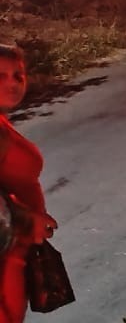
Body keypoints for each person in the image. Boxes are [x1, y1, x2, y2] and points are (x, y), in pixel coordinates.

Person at [0, 44, 57, 323]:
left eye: (17, 76)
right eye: (0, 76)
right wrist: (26, 218)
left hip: (15, 248)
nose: (12, 83)